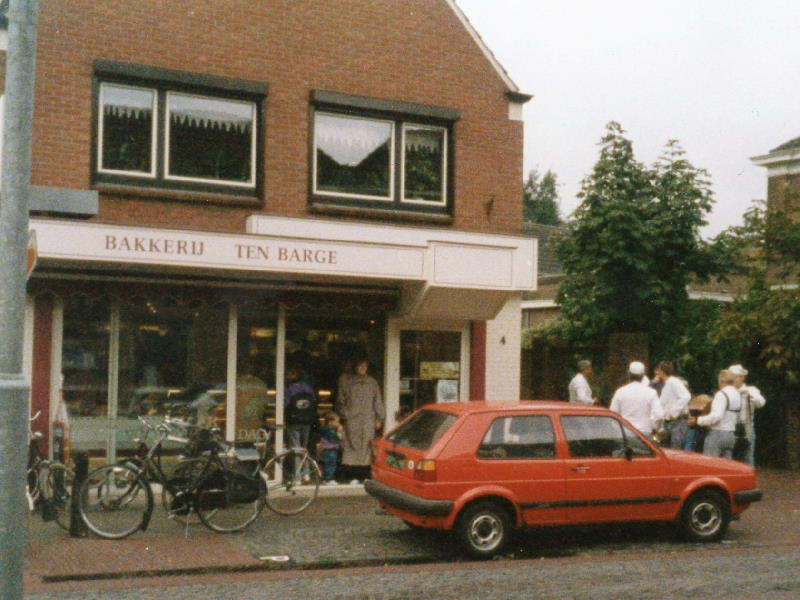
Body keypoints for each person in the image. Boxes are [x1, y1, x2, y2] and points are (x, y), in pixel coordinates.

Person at [339, 358, 384, 484]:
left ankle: (365, 475)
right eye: (360, 365)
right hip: (353, 420)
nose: (363, 368)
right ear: (355, 367)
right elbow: (341, 401)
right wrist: (346, 415)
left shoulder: (372, 383)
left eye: (365, 366)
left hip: (368, 419)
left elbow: (378, 401)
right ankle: (353, 476)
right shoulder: (348, 383)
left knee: (367, 446)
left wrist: (379, 418)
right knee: (353, 446)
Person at [689, 369, 741, 459]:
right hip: (730, 434)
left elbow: (716, 416)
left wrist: (698, 420)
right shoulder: (737, 394)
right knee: (726, 468)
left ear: (722, 381)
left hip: (718, 433)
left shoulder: (721, 394)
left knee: (710, 465)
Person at [609, 361, 664, 438]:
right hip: (644, 433)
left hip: (625, 433)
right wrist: (653, 427)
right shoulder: (651, 392)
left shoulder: (620, 391)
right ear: (643, 376)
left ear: (629, 374)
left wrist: (618, 430)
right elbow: (659, 415)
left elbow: (612, 414)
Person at [284, 364, 318, 483]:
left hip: (294, 422)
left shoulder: (289, 388)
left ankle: (297, 476)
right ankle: (306, 473)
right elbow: (313, 402)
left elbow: (285, 404)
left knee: (295, 448)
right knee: (305, 447)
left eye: (289, 374)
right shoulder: (308, 387)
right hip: (307, 421)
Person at [729, 364, 766, 466]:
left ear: (742, 377)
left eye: (735, 376)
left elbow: (761, 403)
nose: (732, 379)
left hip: (747, 429)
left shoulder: (752, 390)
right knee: (730, 460)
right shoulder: (727, 391)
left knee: (748, 459)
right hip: (729, 429)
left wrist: (749, 395)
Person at [654, 361, 691, 450]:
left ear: (662, 371)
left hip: (677, 422)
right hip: (669, 422)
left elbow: (686, 396)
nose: (657, 373)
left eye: (658, 370)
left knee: (676, 450)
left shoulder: (674, 382)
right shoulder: (668, 383)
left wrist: (673, 412)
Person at [319, 411, 344, 484]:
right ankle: (329, 478)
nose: (338, 424)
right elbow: (337, 438)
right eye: (336, 422)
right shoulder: (330, 431)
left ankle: (325, 478)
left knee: (328, 464)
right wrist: (340, 431)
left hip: (328, 449)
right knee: (331, 464)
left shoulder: (326, 429)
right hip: (330, 449)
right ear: (330, 422)